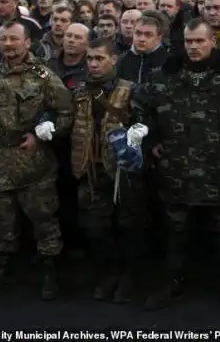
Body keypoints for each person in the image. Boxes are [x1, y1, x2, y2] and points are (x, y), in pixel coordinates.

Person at [0, 21, 73, 300]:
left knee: (44, 220)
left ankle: (50, 273)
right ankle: (4, 269)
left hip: (32, 164)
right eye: (2, 39)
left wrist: (42, 136)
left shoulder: (43, 76)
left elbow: (66, 112)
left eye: (13, 39)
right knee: (2, 221)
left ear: (27, 43)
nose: (7, 44)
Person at [142, 19, 220, 315]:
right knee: (176, 232)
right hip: (176, 169)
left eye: (200, 41)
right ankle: (171, 284)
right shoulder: (164, 76)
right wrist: (152, 138)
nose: (193, 47)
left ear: (213, 41)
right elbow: (140, 107)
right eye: (189, 41)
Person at [70, 38, 149, 303]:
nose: (92, 63)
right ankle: (108, 274)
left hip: (121, 172)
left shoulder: (131, 90)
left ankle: (127, 277)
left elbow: (144, 124)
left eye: (99, 58)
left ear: (113, 60)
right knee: (95, 229)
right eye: (89, 58)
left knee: (128, 227)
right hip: (89, 170)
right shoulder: (79, 91)